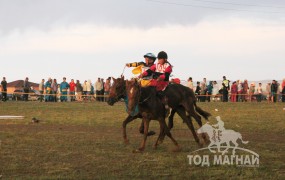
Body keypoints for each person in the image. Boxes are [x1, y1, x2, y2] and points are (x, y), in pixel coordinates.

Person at [140, 51, 172, 116]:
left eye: (160, 59)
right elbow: (149, 71)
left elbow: (166, 75)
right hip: (154, 82)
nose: (159, 60)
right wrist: (143, 74)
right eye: (158, 59)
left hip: (163, 83)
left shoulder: (168, 66)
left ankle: (166, 106)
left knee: (160, 93)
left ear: (165, 59)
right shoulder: (156, 65)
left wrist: (160, 77)